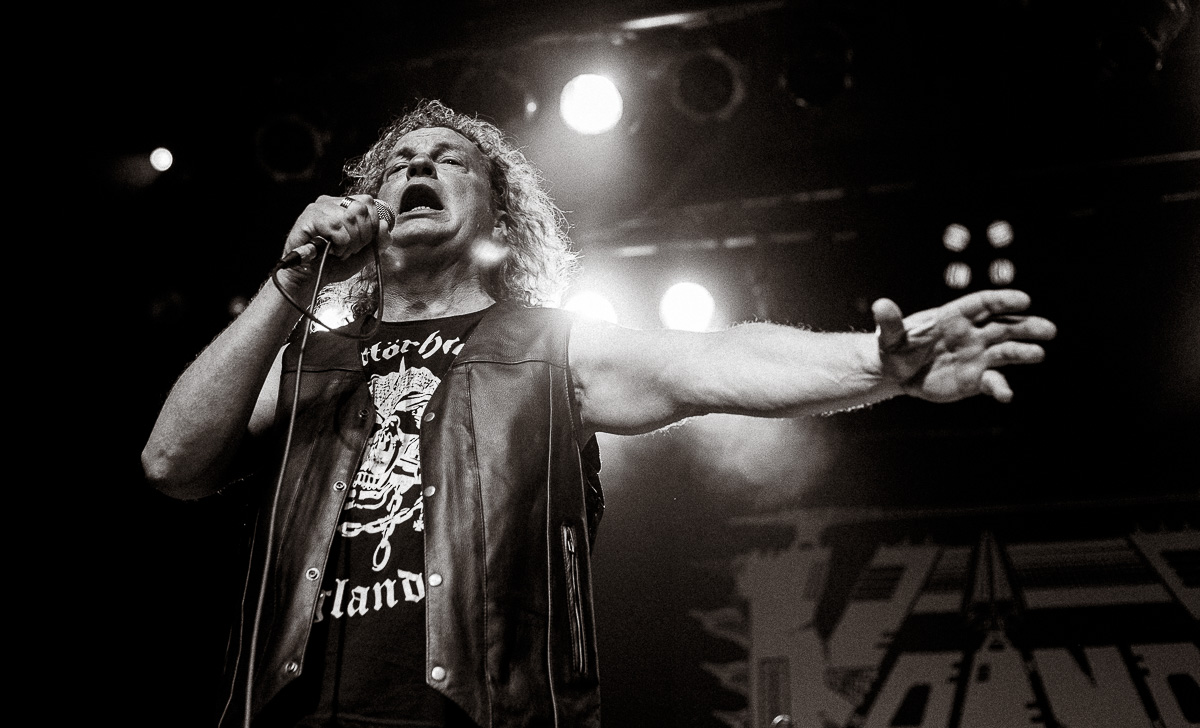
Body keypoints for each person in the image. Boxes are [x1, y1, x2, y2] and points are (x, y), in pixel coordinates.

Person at [142, 100, 1058, 728]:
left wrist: (874, 361)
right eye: (397, 166)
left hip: (477, 716)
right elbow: (172, 462)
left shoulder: (550, 345)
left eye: (445, 159)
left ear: (496, 206)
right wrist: (291, 280)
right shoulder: (309, 359)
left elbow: (714, 356)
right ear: (370, 209)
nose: (416, 168)